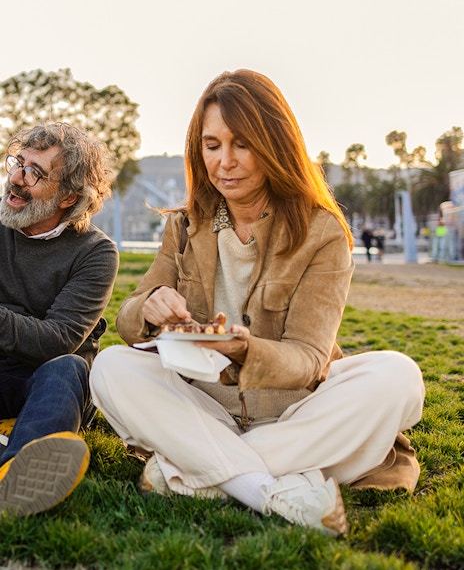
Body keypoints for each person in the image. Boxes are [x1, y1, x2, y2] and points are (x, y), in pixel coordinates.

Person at [90, 70, 425, 537]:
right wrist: (148, 307)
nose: (224, 161)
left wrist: (247, 351)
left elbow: (310, 358)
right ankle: (274, 489)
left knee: (398, 376)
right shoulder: (184, 226)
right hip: (205, 405)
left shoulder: (321, 232)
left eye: (241, 144)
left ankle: (194, 473)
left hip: (298, 411)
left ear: (273, 143)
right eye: (212, 145)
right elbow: (129, 320)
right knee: (111, 368)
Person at [0, 122, 119, 516]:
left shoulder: (96, 253)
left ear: (68, 196)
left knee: (67, 367)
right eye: (18, 162)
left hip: (48, 381)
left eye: (35, 173)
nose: (17, 178)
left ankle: (14, 472)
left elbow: (57, 339)